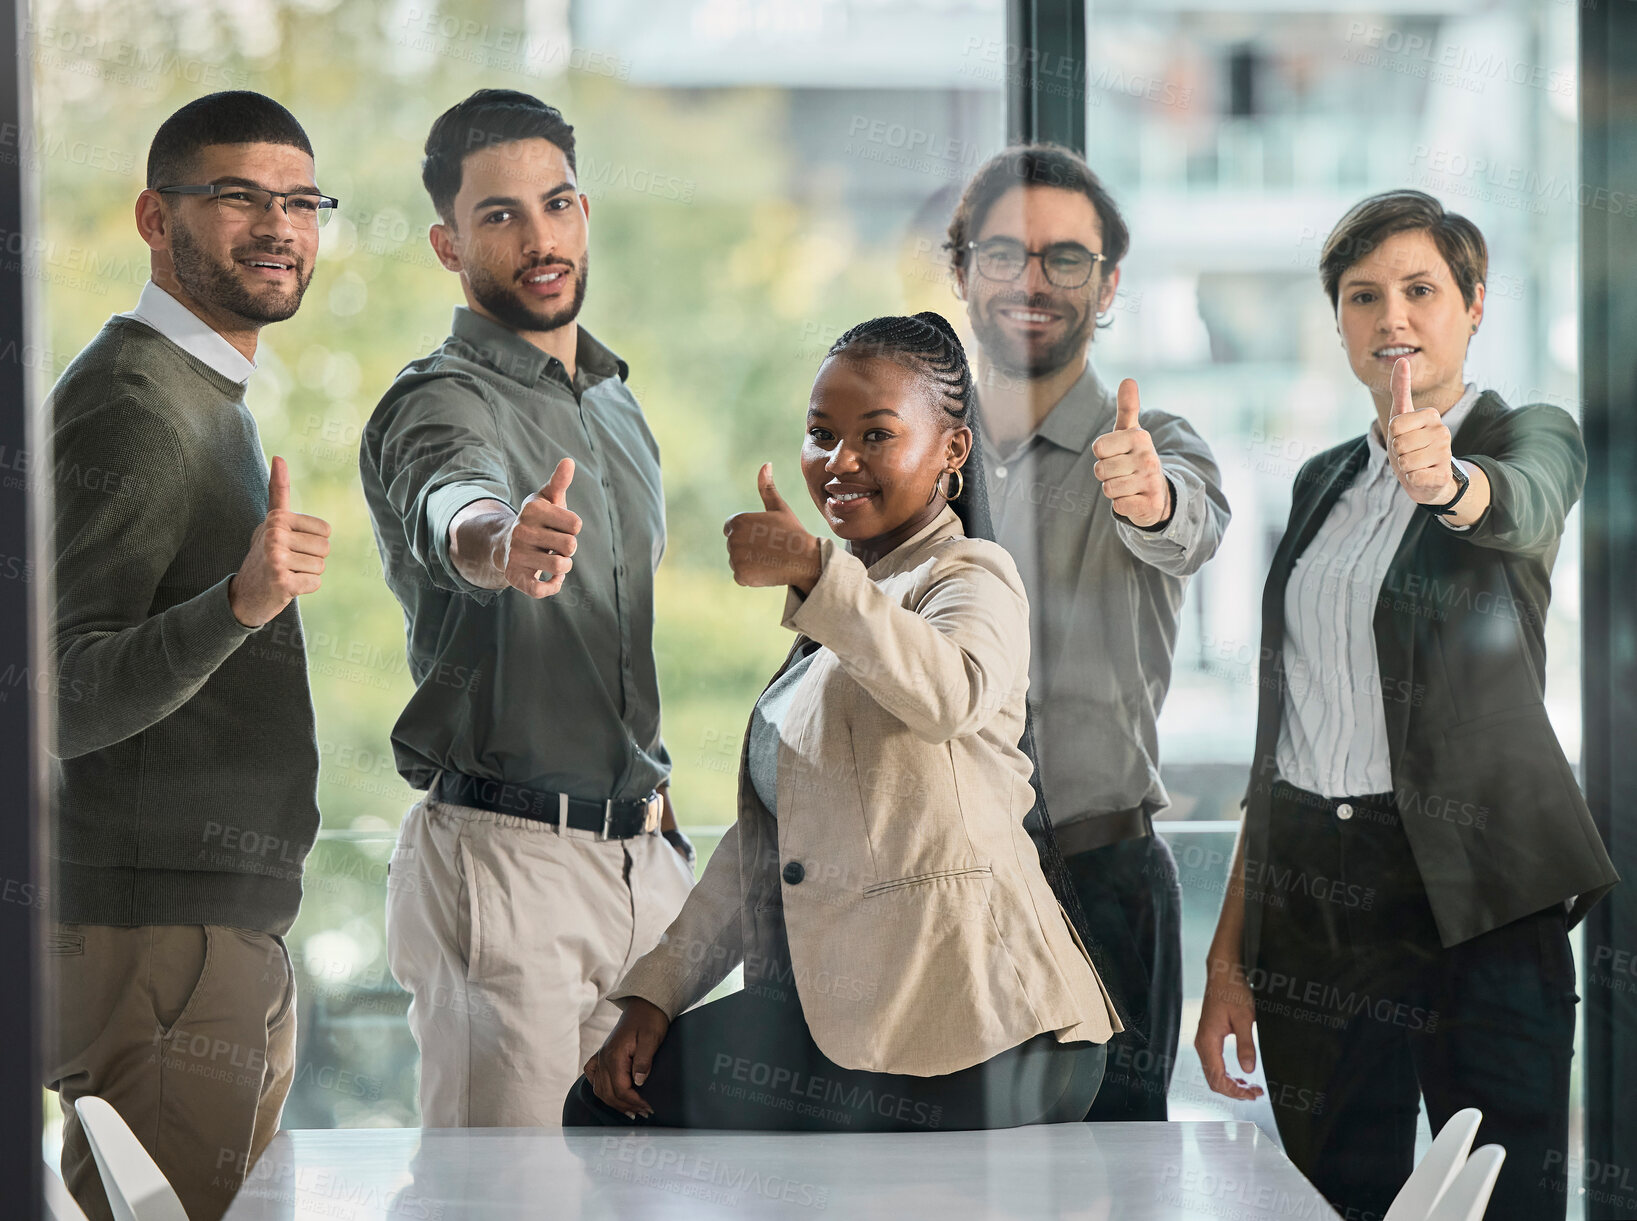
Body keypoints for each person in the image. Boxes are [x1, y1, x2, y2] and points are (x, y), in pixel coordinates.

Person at [562, 312, 1122, 1131]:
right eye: (820, 433)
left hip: (991, 1029)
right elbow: (763, 853)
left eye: (875, 434)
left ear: (952, 451)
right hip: (856, 1022)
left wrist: (814, 569)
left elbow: (949, 691)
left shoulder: (970, 575)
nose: (839, 461)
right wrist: (656, 990)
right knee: (607, 1104)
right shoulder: (835, 617)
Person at [1194, 189, 1618, 1221]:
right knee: (1329, 1194)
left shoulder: (1528, 434)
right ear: (1336, 321)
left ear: (1472, 305)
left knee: (1502, 1195)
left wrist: (1452, 483)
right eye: (1361, 295)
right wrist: (1228, 958)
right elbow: (1284, 737)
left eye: (1419, 289)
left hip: (1476, 893)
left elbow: (1522, 503)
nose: (1390, 316)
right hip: (1312, 896)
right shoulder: (1318, 480)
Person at [359, 89, 694, 1129]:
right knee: (501, 1199)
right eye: (498, 215)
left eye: (555, 205)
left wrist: (662, 824)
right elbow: (448, 498)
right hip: (507, 871)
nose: (538, 236)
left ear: (584, 213)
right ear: (447, 245)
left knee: (646, 1194)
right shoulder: (437, 400)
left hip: (645, 869)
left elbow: (613, 649)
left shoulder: (616, 403)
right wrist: (497, 541)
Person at [46, 92, 333, 1221]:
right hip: (159, 941)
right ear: (154, 220)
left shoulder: (204, 392)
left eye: (302, 200)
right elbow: (61, 694)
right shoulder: (132, 402)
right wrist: (242, 601)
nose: (278, 225)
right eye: (237, 198)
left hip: (209, 931)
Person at [945, 144, 1230, 1120]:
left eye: (1064, 258)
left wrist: (1146, 498)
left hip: (1099, 881)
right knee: (932, 1178)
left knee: (1112, 1183)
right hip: (937, 888)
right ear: (962, 271)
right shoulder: (916, 457)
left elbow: (1185, 522)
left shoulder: (1154, 444)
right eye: (1002, 254)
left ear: (1106, 285)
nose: (1031, 281)